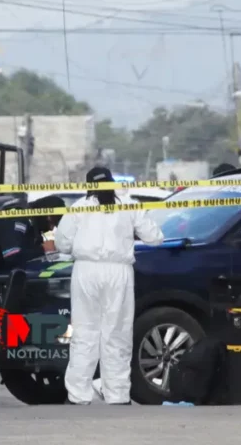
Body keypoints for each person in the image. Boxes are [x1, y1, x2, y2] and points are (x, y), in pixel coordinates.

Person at [55, 166, 164, 405]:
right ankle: (117, 395)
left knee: (84, 333)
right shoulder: (128, 204)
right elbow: (155, 237)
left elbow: (61, 244)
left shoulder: (79, 208)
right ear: (113, 183)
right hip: (118, 272)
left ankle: (78, 395)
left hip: (86, 271)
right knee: (117, 333)